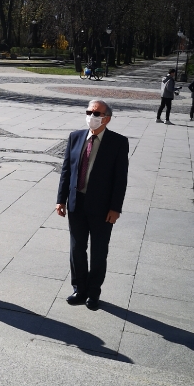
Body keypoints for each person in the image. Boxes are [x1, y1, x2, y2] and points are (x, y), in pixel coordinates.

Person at [56, 99, 129, 311]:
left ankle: (94, 292)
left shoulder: (118, 142)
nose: (91, 117)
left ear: (107, 119)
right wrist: (61, 200)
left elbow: (120, 178)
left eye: (96, 114)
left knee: (98, 251)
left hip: (102, 208)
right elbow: (66, 170)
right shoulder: (75, 137)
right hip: (76, 203)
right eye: (89, 112)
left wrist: (115, 208)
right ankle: (79, 289)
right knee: (77, 249)